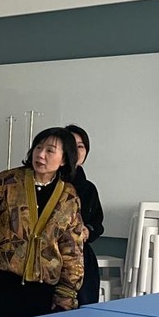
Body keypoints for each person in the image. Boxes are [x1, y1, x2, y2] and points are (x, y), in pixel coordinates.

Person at [0, 127, 87, 317]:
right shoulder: (8, 181)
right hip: (3, 281)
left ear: (64, 160)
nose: (40, 154)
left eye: (50, 150)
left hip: (43, 287)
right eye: (38, 147)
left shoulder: (69, 196)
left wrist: (67, 292)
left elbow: (72, 249)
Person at [65, 124, 105, 306]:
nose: (76, 151)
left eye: (81, 146)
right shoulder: (52, 184)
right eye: (71, 145)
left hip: (81, 254)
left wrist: (88, 231)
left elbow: (97, 223)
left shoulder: (88, 188)